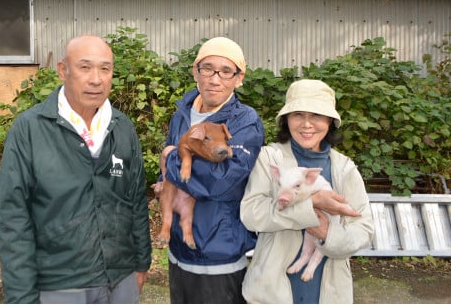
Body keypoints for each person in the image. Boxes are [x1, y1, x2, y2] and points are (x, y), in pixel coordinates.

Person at [0, 35, 152, 304]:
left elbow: (136, 200)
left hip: (121, 279)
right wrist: (21, 296)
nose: (96, 79)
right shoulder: (30, 129)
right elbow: (13, 218)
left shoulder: (122, 127)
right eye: (85, 67)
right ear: (62, 70)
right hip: (60, 285)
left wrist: (141, 263)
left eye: (105, 69)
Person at [240, 79, 374, 303]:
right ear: (286, 120)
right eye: (298, 115)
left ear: (330, 121)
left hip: (329, 291)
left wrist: (326, 234)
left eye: (317, 116)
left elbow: (363, 229)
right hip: (270, 291)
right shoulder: (270, 158)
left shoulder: (344, 168)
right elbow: (251, 214)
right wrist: (311, 204)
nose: (306, 124)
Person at [154, 36, 265, 303]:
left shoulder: (244, 121)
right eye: (207, 68)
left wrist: (169, 159)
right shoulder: (182, 112)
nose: (215, 79)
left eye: (226, 71)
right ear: (196, 71)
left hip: (218, 252)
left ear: (239, 78)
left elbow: (221, 179)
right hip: (179, 248)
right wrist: (164, 184)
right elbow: (171, 169)